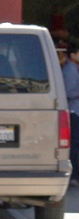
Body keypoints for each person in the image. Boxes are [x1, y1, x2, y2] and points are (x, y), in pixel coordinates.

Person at [62, 38, 79, 183]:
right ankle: (74, 176)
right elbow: (69, 92)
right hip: (74, 111)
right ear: (73, 55)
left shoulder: (73, 69)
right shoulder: (70, 70)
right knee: (74, 144)